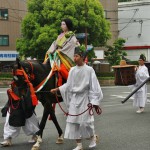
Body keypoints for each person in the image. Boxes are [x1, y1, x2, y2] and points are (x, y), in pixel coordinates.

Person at [50, 46, 103, 150]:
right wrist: (57, 89)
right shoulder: (72, 70)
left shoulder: (89, 70)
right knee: (73, 122)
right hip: (75, 99)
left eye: (76, 56)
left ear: (82, 57)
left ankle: (93, 137)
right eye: (74, 56)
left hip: (85, 99)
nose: (74, 58)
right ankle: (79, 145)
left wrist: (94, 101)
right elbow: (68, 85)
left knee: (86, 122)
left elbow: (94, 86)